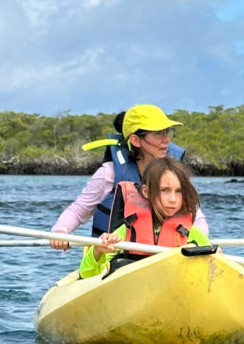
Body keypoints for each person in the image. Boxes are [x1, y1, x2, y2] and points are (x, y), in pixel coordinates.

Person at [49, 104, 208, 250]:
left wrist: (200, 245)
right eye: (158, 133)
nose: (167, 140)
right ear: (135, 140)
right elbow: (78, 211)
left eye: (167, 132)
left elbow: (196, 218)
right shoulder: (109, 173)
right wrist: (61, 231)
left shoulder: (174, 174)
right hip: (109, 255)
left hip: (161, 256)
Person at [78, 157, 210, 278]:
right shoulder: (126, 233)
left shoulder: (194, 235)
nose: (173, 199)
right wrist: (97, 251)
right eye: (165, 190)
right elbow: (86, 274)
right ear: (146, 192)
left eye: (179, 191)